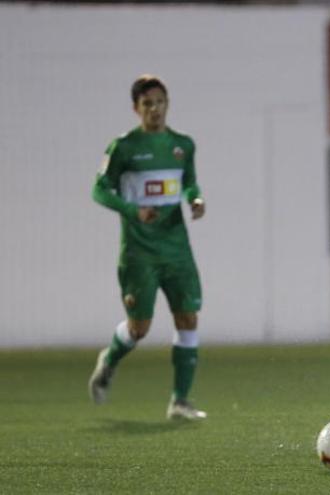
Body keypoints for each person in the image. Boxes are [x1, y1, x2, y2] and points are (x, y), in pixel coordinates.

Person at [88, 75, 207, 420]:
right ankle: (108, 360)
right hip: (139, 252)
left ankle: (180, 402)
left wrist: (195, 199)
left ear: (168, 104)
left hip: (177, 249)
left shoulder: (182, 145)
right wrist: (132, 210)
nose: (155, 109)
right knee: (140, 328)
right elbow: (99, 190)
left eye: (160, 102)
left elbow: (189, 183)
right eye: (148, 104)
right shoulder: (123, 148)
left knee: (188, 317)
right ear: (136, 108)